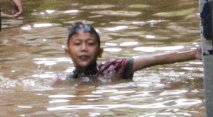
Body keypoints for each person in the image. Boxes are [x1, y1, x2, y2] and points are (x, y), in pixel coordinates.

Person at [63, 22, 201, 81]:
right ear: (67, 52)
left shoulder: (114, 69)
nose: (84, 49)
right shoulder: (63, 82)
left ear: (100, 52)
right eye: (77, 44)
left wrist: (193, 54)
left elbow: (154, 59)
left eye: (90, 44)